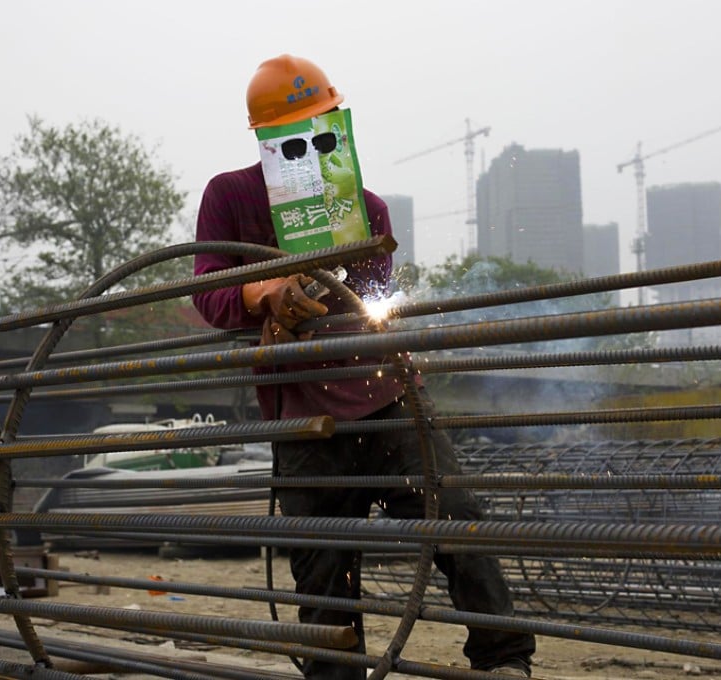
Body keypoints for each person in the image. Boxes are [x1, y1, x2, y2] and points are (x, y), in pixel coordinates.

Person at [192, 53, 536, 679]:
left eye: (322, 130)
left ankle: (504, 661)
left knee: (455, 522)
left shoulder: (366, 207)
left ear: (336, 122)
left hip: (386, 398)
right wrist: (265, 294)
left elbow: (378, 300)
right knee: (323, 568)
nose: (309, 146)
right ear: (264, 140)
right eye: (292, 137)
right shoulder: (231, 196)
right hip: (302, 419)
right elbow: (208, 292)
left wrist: (332, 296)